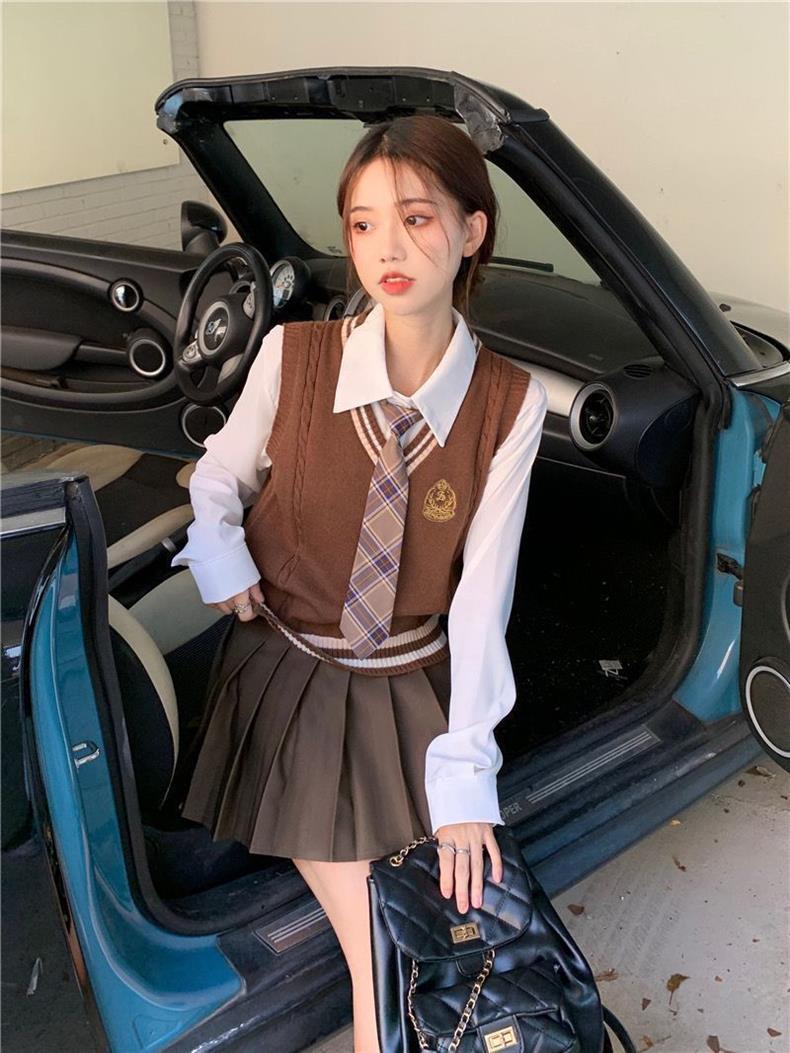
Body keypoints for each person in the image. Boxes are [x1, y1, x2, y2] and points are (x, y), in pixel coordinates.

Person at [171, 113, 548, 1053]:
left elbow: (482, 597)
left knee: (451, 904)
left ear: (472, 230)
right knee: (381, 932)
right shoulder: (293, 358)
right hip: (290, 674)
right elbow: (217, 479)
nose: (388, 249)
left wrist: (466, 775)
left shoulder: (512, 403)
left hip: (410, 682)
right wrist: (222, 559)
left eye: (417, 218)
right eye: (364, 223)